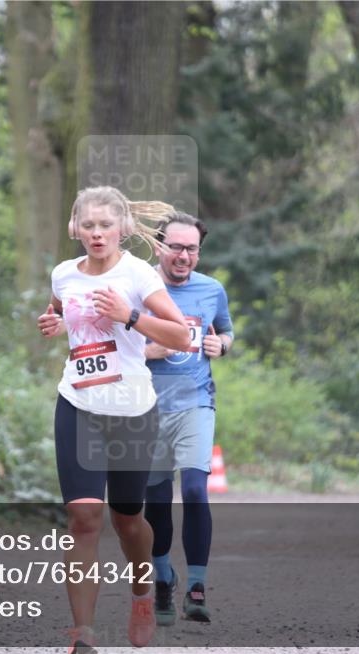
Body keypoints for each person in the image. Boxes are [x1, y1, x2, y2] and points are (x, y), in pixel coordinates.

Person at [37, 186, 191, 654]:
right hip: (78, 405)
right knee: (83, 518)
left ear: (122, 228)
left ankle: (143, 587)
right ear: (74, 229)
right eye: (88, 225)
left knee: (127, 519)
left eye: (106, 225)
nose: (97, 233)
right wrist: (55, 324)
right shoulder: (64, 274)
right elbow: (61, 310)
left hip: (131, 412)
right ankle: (82, 637)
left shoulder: (138, 274)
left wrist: (130, 316)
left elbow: (182, 335)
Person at [142, 212, 233, 626]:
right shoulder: (136, 285)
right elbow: (111, 344)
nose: (183, 256)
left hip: (195, 403)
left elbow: (226, 330)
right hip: (145, 407)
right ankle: (163, 579)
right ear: (160, 246)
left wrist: (221, 344)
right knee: (155, 504)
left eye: (191, 248)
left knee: (196, 491)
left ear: (200, 251)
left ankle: (196, 588)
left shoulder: (211, 290)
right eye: (175, 247)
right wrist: (149, 351)